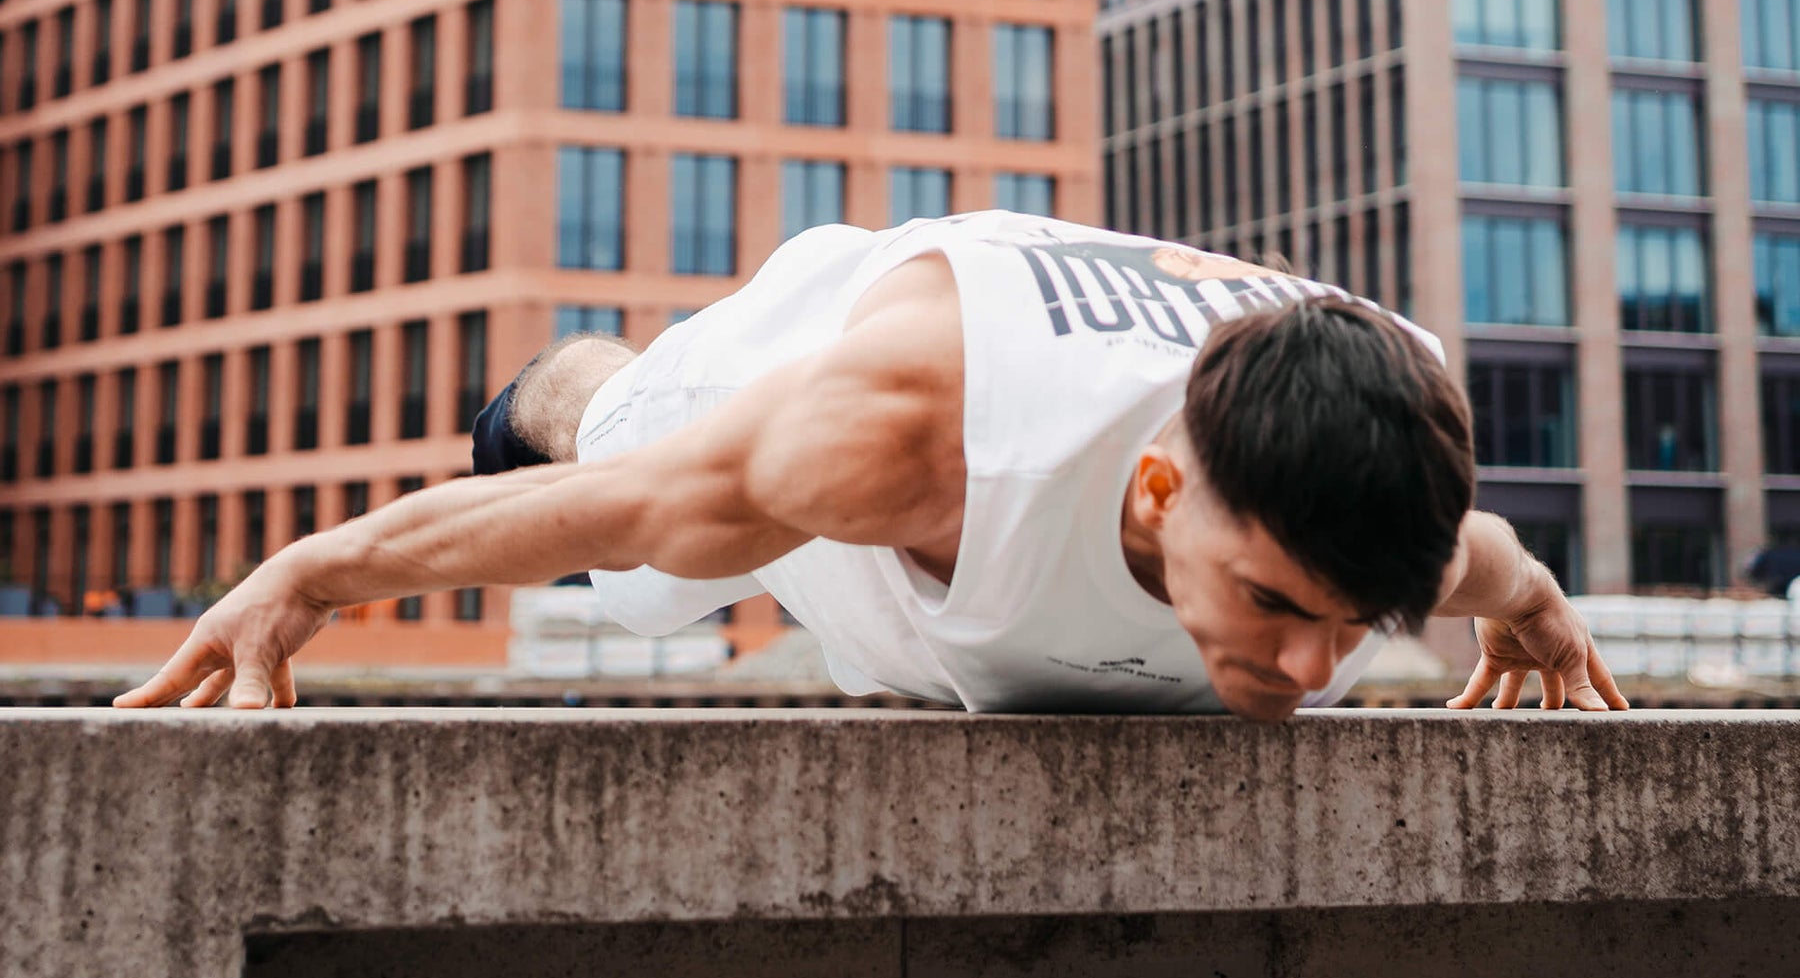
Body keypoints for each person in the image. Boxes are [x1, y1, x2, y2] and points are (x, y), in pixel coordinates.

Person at [115, 213, 1628, 720]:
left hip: (1144, 331)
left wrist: (1538, 616)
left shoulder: (1379, 524)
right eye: (1277, 605)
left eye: (1352, 627)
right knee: (631, 478)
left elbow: (1488, 566)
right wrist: (310, 574)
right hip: (886, 339)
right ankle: (590, 365)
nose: (1309, 666)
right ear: (1163, 496)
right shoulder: (910, 438)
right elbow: (602, 512)